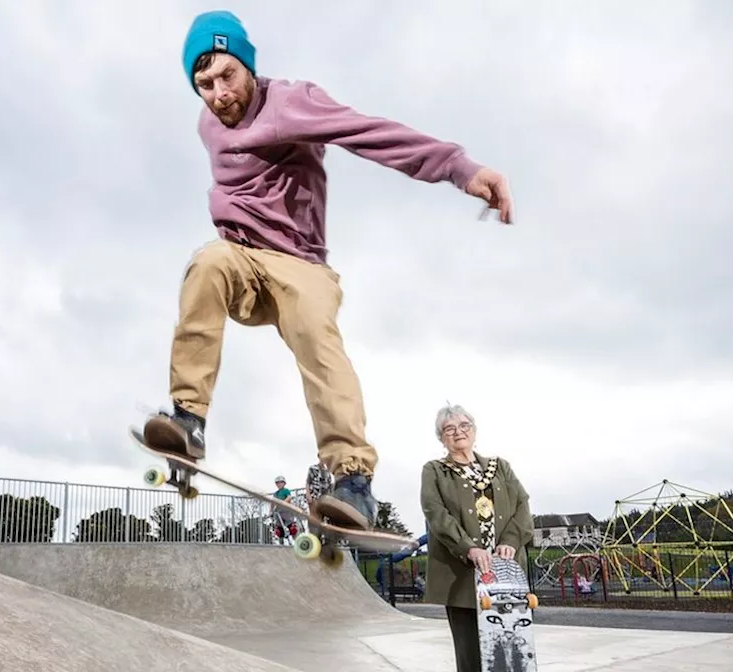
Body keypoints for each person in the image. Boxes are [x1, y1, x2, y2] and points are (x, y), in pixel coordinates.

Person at [141, 10, 515, 533]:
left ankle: (352, 480)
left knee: (318, 335)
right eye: (204, 85)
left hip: (300, 265)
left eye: (228, 76)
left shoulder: (292, 102)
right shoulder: (208, 123)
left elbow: (370, 134)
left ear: (248, 65)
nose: (219, 94)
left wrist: (460, 168)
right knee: (206, 263)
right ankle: (188, 418)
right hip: (242, 261)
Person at [419, 404, 533, 672]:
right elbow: (435, 512)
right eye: (449, 429)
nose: (458, 432)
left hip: (506, 576)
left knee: (512, 650)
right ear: (441, 438)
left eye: (464, 426)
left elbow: (522, 504)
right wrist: (468, 548)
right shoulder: (435, 470)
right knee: (470, 653)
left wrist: (511, 542)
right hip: (462, 574)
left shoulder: (500, 467)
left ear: (474, 430)